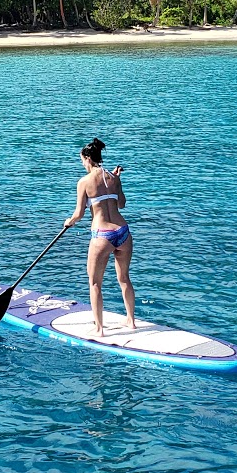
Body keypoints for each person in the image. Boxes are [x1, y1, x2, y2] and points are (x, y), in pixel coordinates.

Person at [63, 138, 135, 337]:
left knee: (95, 283)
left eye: (82, 161)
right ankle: (131, 321)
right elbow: (121, 204)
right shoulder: (113, 177)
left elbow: (79, 214)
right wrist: (118, 180)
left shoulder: (84, 182)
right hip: (123, 232)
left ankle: (99, 329)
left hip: (102, 235)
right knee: (124, 278)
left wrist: (69, 221)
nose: (82, 164)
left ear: (87, 158)